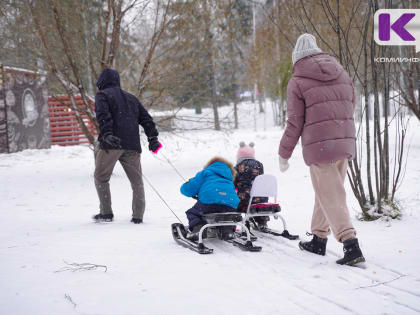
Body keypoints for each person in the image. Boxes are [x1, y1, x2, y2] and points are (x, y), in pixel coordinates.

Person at [278, 34, 365, 266]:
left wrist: (284, 153)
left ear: (296, 58)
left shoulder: (297, 80)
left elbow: (295, 122)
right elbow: (351, 105)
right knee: (327, 192)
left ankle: (351, 244)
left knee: (331, 194)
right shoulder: (342, 72)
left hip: (320, 147)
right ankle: (318, 238)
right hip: (344, 141)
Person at [93, 68, 161, 224]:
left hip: (112, 144)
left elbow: (103, 116)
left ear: (102, 81)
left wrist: (107, 134)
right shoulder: (131, 98)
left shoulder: (102, 96)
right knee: (137, 182)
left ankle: (106, 213)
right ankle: (138, 216)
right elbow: (147, 119)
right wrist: (153, 138)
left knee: (100, 177)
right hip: (132, 145)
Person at [180, 157, 240, 240]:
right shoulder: (229, 177)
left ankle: (199, 228)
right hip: (230, 203)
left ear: (210, 165)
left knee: (194, 213)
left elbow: (188, 189)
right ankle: (227, 230)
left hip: (209, 202)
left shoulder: (205, 172)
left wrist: (187, 186)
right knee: (227, 215)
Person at [234, 142, 269, 228]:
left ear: (239, 156)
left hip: (245, 200)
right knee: (256, 196)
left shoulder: (238, 167)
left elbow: (233, 183)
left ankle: (234, 221)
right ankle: (262, 221)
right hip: (261, 199)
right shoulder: (260, 165)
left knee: (236, 200)